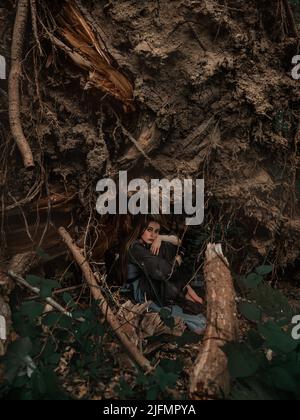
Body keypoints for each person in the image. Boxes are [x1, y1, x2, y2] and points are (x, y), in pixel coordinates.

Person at [121, 216, 206, 334]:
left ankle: (186, 295)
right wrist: (177, 259)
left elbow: (178, 241)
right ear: (140, 229)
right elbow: (165, 271)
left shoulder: (146, 243)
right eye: (149, 230)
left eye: (156, 231)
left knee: (165, 247)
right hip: (141, 290)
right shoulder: (135, 248)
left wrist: (160, 238)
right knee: (198, 322)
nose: (153, 235)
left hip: (153, 282)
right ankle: (185, 296)